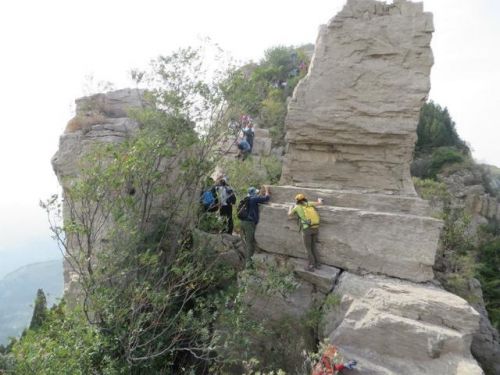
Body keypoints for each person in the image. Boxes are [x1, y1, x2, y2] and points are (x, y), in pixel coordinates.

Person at [288, 193, 323, 271]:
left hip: (307, 229)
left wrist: (290, 207)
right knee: (313, 247)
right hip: (315, 227)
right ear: (304, 199)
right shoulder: (309, 204)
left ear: (297, 201)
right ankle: (318, 264)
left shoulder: (297, 207)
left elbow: (289, 214)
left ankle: (311, 265)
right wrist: (319, 199)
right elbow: (320, 203)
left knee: (308, 248)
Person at [239, 185, 270, 267]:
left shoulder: (247, 198)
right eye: (256, 192)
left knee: (246, 241)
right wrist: (266, 190)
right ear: (253, 193)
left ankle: (246, 259)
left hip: (242, 222)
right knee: (250, 243)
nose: (257, 194)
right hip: (249, 223)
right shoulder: (254, 199)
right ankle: (248, 264)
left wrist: (260, 193)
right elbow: (267, 198)